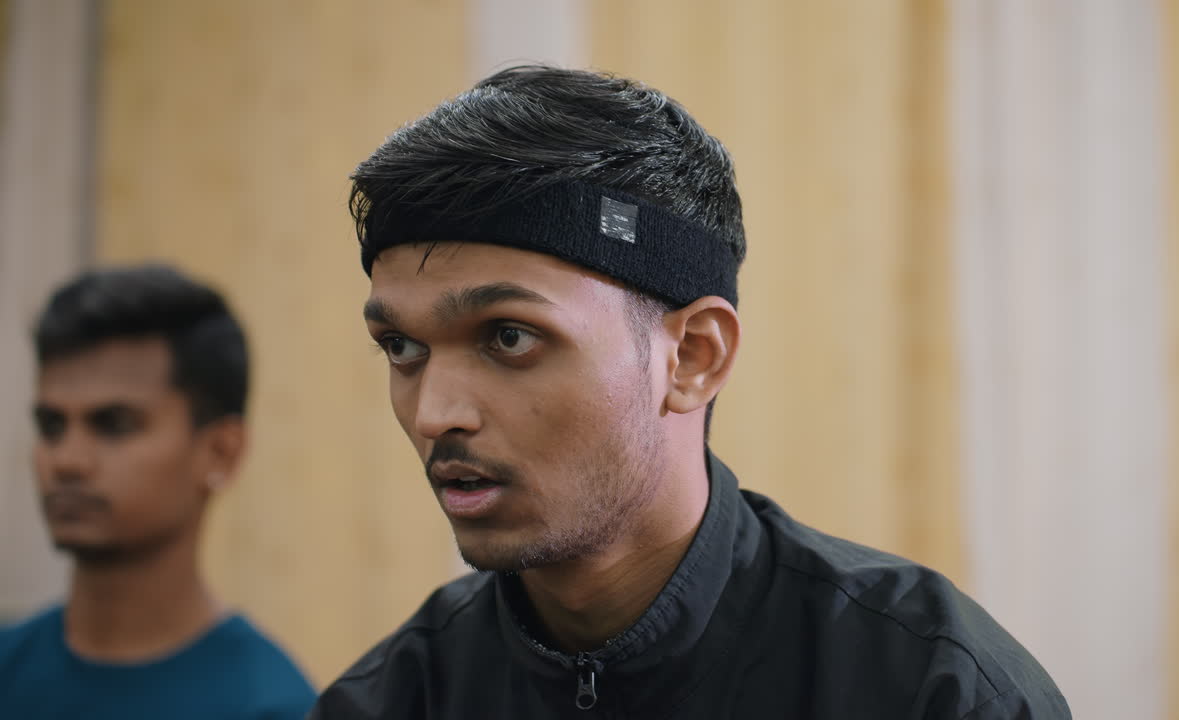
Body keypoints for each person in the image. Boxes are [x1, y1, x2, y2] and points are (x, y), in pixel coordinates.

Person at [310, 66, 1070, 719]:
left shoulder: (928, 690)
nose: (436, 412)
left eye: (509, 337)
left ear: (693, 357)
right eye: (401, 348)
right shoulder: (392, 702)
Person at [0, 266, 317, 719]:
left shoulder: (272, 708)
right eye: (51, 426)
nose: (66, 459)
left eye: (114, 425)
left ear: (221, 452)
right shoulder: (8, 670)